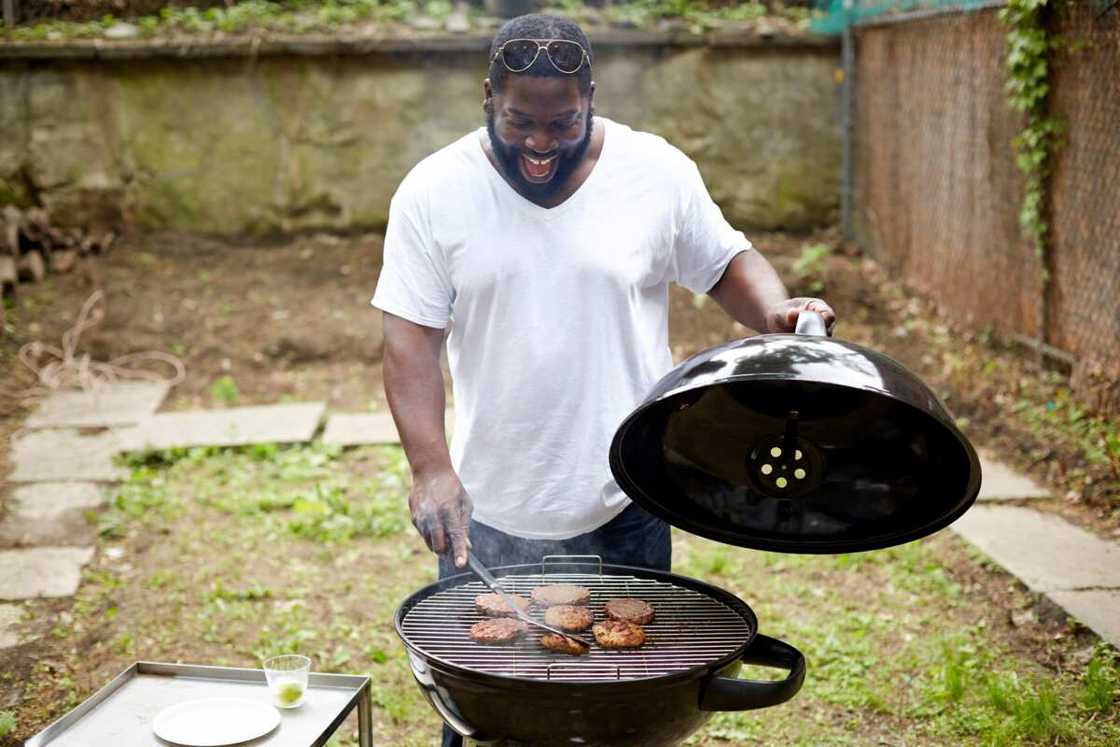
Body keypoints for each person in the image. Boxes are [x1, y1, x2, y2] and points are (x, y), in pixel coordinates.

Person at [372, 14, 835, 745]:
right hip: (486, 511)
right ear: (487, 95)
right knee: (488, 716)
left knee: (623, 714)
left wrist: (776, 310)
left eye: (563, 120)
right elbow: (408, 343)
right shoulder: (434, 190)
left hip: (629, 499)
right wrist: (431, 469)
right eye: (521, 119)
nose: (540, 141)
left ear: (591, 95)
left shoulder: (655, 172)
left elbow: (727, 265)